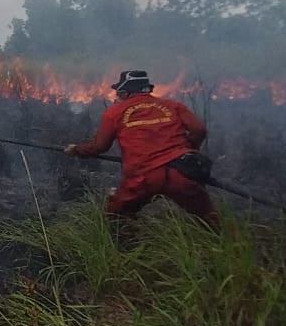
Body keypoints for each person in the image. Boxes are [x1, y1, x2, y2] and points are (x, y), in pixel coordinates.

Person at [64, 69, 219, 229]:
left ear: (124, 92)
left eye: (118, 92)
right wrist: (185, 151)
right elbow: (199, 129)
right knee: (210, 219)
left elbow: (99, 146)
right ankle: (230, 246)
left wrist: (76, 150)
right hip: (180, 172)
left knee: (117, 218)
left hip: (143, 177)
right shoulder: (173, 106)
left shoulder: (115, 112)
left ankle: (125, 250)